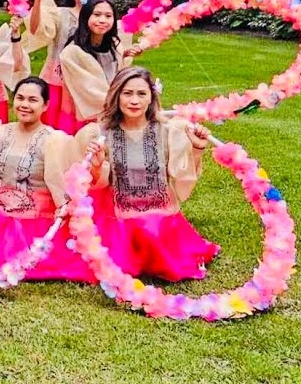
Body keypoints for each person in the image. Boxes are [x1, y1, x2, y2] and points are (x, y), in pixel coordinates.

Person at [0, 77, 93, 281]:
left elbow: (62, 187)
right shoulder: (0, 133)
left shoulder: (54, 140)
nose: (25, 105)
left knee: (23, 257)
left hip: (32, 221)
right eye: (20, 98)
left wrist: (65, 208)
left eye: (32, 100)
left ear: (45, 105)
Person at [75, 67, 220, 282]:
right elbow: (101, 183)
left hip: (160, 214)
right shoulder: (101, 134)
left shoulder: (168, 132)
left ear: (151, 97)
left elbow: (183, 177)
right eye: (127, 93)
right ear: (116, 96)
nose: (134, 101)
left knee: (151, 230)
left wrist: (197, 150)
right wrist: (96, 166)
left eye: (141, 94)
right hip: (120, 217)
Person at [25, 0, 101, 133]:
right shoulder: (60, 14)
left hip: (86, 85)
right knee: (54, 132)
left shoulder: (102, 17)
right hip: (56, 83)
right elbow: (36, 29)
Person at [56, 0, 134, 132]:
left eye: (108, 16)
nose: (102, 20)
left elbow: (119, 77)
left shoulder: (114, 47)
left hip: (114, 113)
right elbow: (90, 91)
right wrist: (124, 103)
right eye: (97, 14)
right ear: (86, 17)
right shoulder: (72, 53)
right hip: (84, 119)